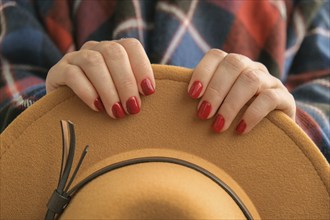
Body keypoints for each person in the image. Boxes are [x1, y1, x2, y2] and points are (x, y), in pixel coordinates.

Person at [0, 0, 329, 162]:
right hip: (73, 186)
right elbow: (10, 77)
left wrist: (292, 127)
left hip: (243, 192)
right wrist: (41, 110)